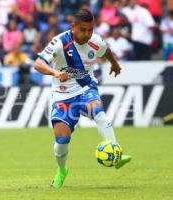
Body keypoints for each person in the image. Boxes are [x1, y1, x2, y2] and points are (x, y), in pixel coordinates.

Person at [34, 9, 131, 189]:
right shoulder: (59, 42)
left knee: (98, 112)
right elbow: (38, 63)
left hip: (86, 88)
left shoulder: (96, 41)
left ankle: (117, 154)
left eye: (90, 30)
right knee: (62, 140)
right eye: (83, 30)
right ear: (73, 26)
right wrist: (55, 72)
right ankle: (62, 170)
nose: (87, 34)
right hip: (62, 95)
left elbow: (106, 50)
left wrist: (115, 64)